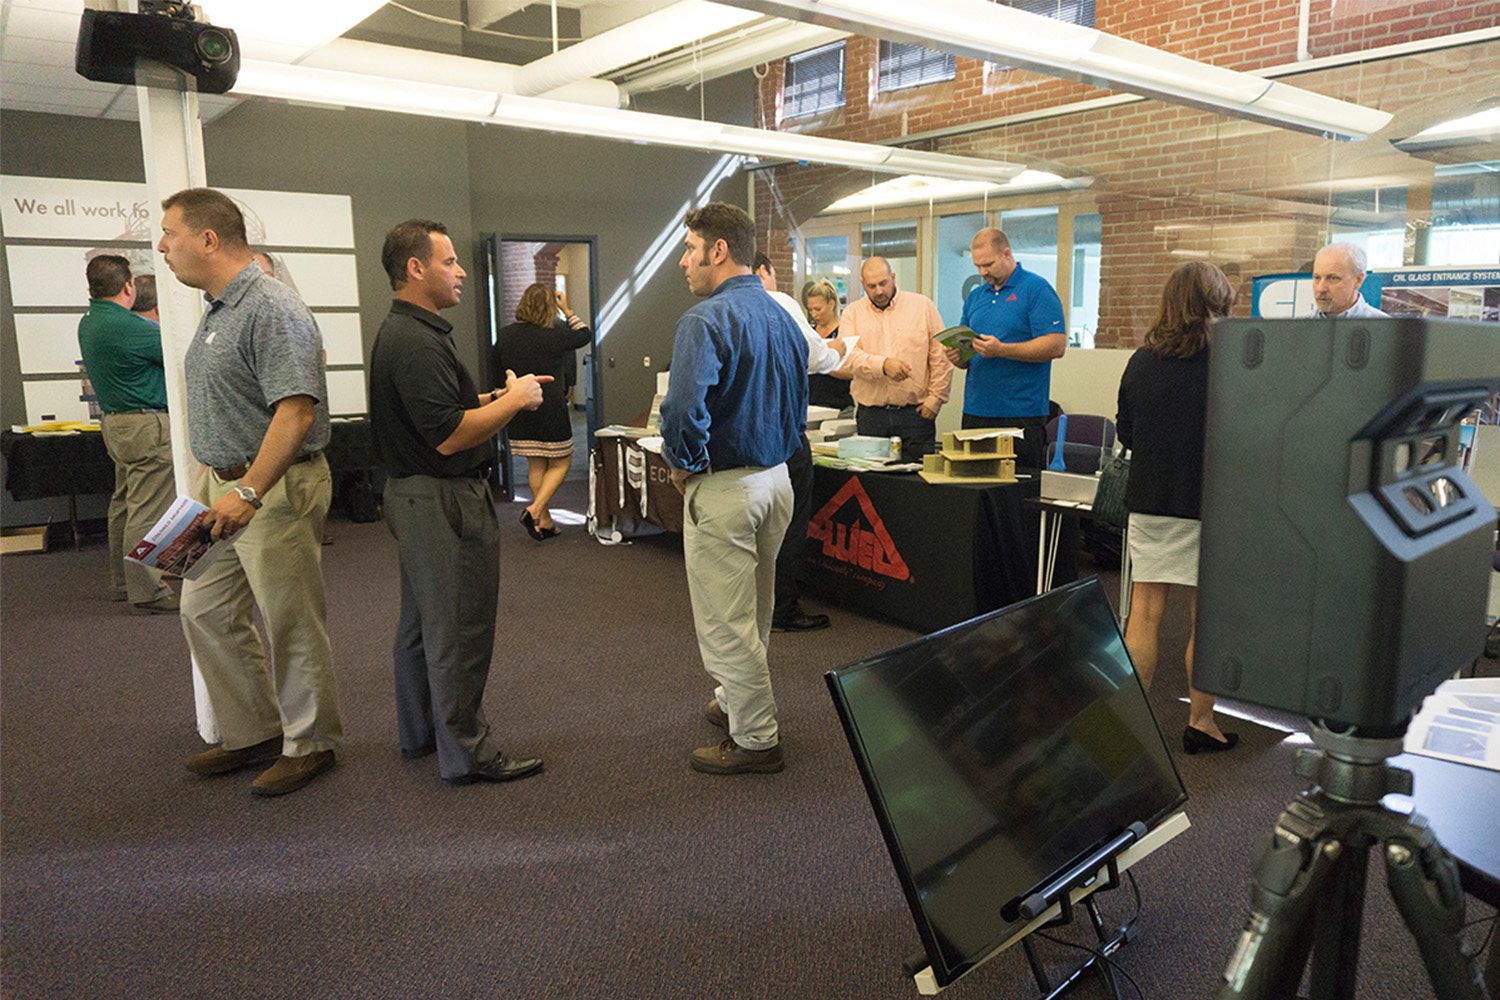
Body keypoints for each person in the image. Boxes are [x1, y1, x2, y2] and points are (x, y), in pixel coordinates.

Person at [156, 187, 344, 797]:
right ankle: (256, 731)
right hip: (225, 485)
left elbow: (295, 412)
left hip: (273, 487)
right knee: (204, 609)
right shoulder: (219, 308)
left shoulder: (272, 306)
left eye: (170, 234)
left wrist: (253, 490)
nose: (162, 247)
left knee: (289, 617)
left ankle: (310, 743)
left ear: (209, 239)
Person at [370, 219, 547, 785]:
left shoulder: (413, 332)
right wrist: (516, 400)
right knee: (459, 630)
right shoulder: (416, 341)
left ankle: (424, 734)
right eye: (449, 261)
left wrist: (496, 397)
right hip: (441, 500)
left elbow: (441, 410)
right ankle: (469, 753)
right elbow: (448, 434)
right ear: (416, 268)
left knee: (423, 628)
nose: (462, 270)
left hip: (420, 497)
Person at [659, 202, 807, 775]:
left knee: (726, 624)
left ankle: (756, 738)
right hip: (777, 481)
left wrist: (682, 464)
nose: (682, 262)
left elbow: (682, 411)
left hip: (726, 487)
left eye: (690, 250)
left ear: (719, 251)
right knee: (757, 607)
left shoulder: (702, 321)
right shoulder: (783, 316)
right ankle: (732, 703)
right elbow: (796, 405)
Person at [1116, 260, 1239, 756]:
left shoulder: (1142, 361)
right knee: (1202, 620)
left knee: (1143, 614)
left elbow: (1127, 433)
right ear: (1217, 305)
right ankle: (1200, 723)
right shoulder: (1231, 365)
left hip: (1150, 500)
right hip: (1209, 505)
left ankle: (1127, 726)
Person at [76, 254, 177, 613]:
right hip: (146, 426)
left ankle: (124, 582)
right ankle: (148, 591)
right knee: (148, 511)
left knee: (123, 505)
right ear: (127, 286)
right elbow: (184, 356)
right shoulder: (130, 327)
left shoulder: (89, 322)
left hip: (118, 424)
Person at [753, 254, 846, 633]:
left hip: (748, 439)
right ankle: (783, 608)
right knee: (788, 524)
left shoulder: (717, 308)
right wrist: (839, 351)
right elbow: (816, 356)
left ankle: (758, 605)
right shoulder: (779, 303)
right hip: (785, 435)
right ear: (765, 272)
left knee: (755, 528)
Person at [943, 228, 1066, 470]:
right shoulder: (976, 297)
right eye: (977, 266)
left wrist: (1002, 350)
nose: (982, 272)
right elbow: (968, 357)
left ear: (1007, 253)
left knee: (1017, 495)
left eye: (988, 264)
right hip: (976, 411)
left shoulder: (1036, 288)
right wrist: (958, 357)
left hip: (1021, 414)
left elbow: (1056, 344)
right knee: (975, 492)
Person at [493, 283, 592, 540]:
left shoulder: (504, 335)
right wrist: (567, 309)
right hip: (550, 407)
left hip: (519, 407)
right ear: (550, 306)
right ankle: (535, 509)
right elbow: (584, 335)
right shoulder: (555, 332)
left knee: (536, 462)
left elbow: (496, 371)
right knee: (562, 461)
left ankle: (544, 520)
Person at [838, 256, 951, 463]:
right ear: (862, 285)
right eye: (872, 286)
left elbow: (940, 355)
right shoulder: (852, 313)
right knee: (872, 485)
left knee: (918, 486)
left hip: (915, 415)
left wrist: (936, 398)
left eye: (883, 283)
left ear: (893, 277)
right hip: (871, 416)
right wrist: (883, 365)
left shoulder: (922, 306)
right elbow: (848, 357)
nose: (879, 291)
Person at [801, 279, 853, 413]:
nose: (814, 314)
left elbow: (850, 372)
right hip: (811, 406)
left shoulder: (844, 331)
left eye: (818, 309)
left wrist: (821, 363)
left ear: (831, 304)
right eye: (810, 309)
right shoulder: (810, 333)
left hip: (838, 405)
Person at [1309, 242, 1388, 319]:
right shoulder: (1299, 327)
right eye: (1317, 278)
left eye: (1333, 278)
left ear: (1358, 280)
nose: (1321, 289)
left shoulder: (1384, 326)